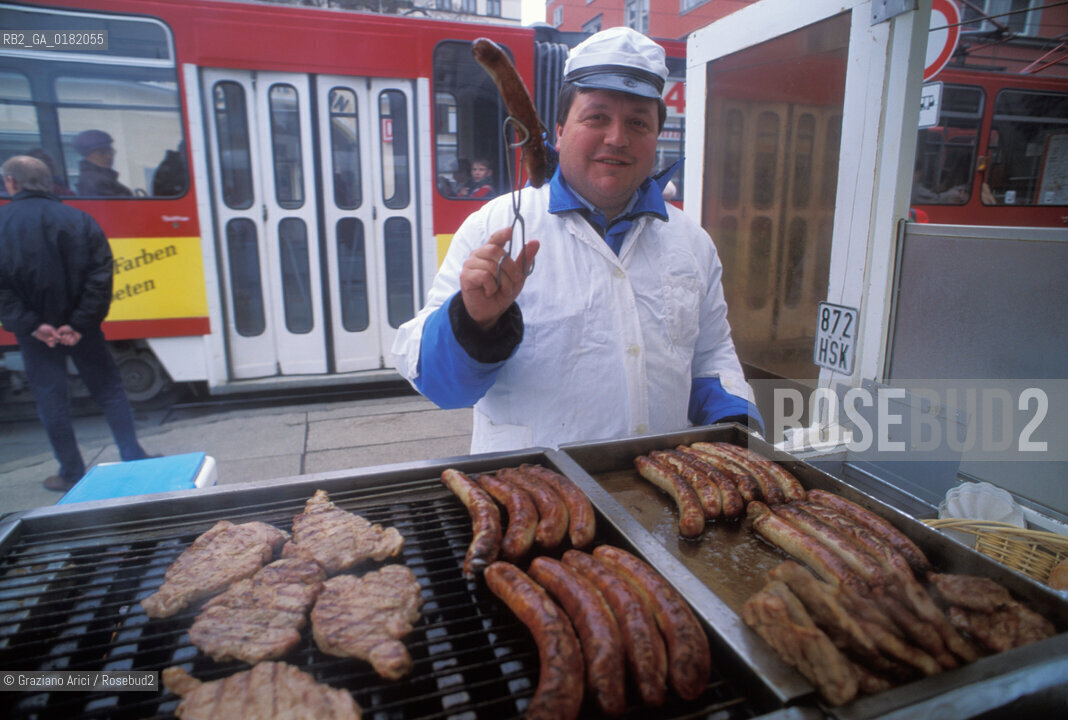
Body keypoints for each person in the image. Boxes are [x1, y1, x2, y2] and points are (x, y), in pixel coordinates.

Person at [391, 27, 762, 454]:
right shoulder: (494, 227)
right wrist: (475, 321)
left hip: (656, 506)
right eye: (597, 117)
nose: (617, 138)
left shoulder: (692, 242)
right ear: (562, 129)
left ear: (656, 135)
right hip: (531, 500)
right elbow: (438, 387)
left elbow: (711, 356)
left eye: (638, 122)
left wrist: (735, 428)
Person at [0, 155, 154, 492]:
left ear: (11, 182)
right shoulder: (80, 220)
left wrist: (34, 326)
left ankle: (71, 471)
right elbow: (100, 277)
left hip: (36, 336)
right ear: (50, 182)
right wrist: (78, 323)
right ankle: (133, 456)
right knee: (110, 390)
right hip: (81, 331)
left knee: (51, 399)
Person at [73, 129, 133, 197]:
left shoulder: (102, 177)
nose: (109, 156)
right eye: (102, 152)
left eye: (110, 151)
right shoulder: (95, 181)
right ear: (87, 156)